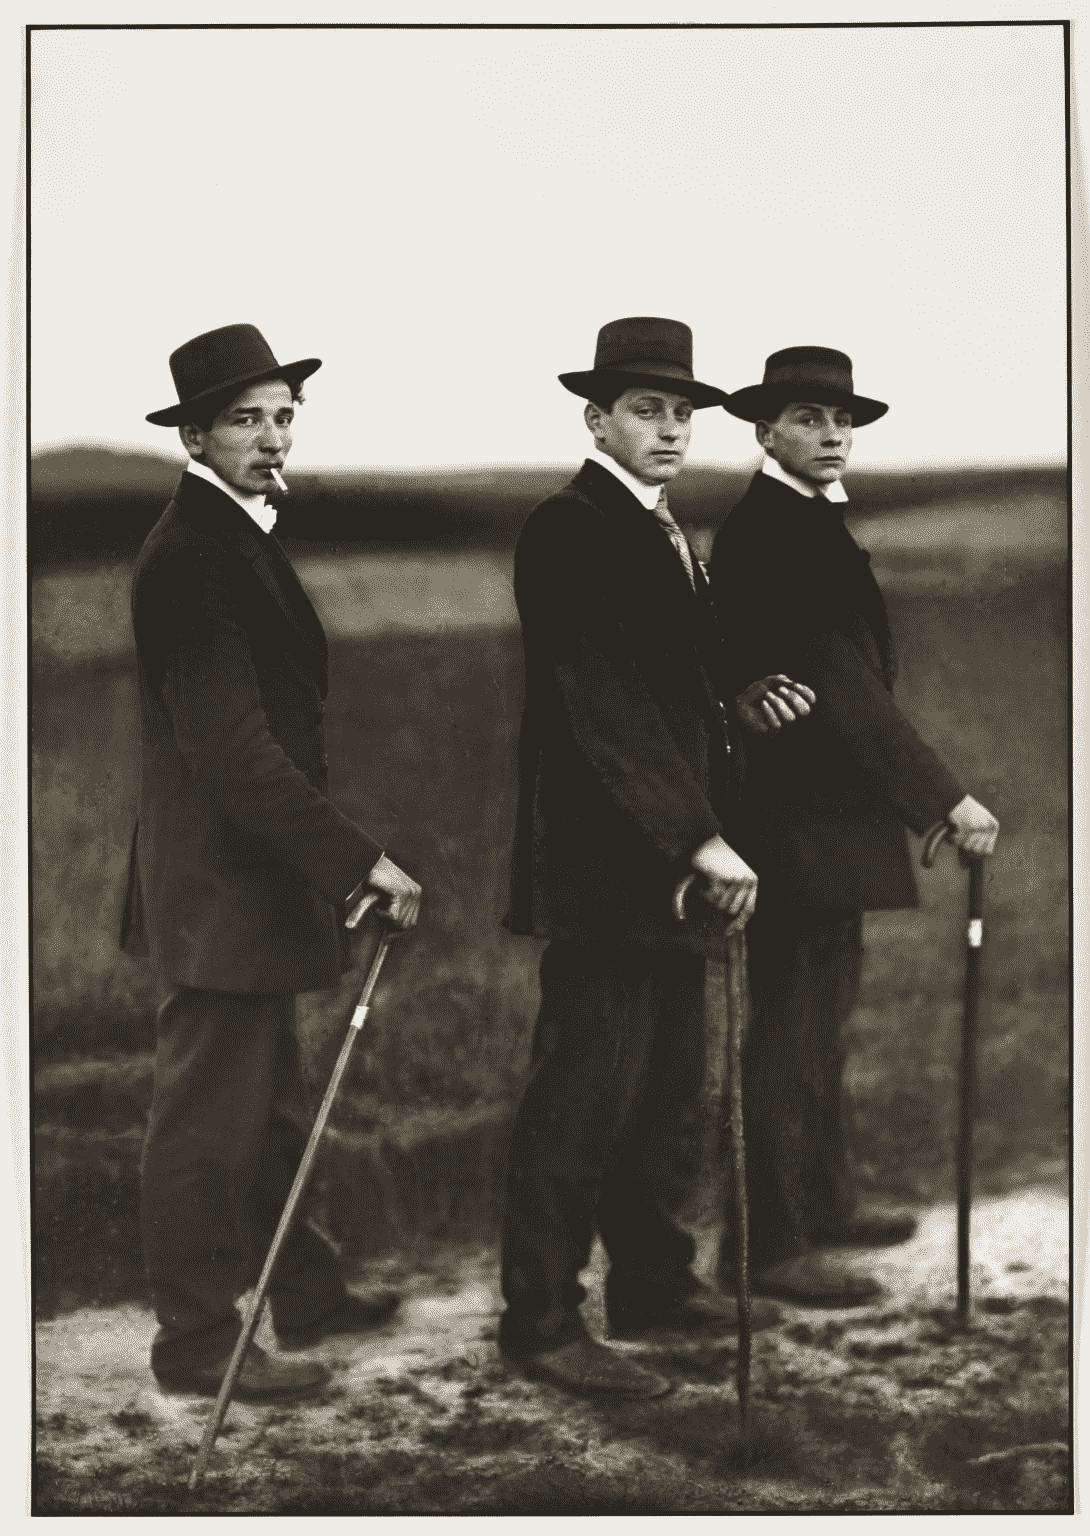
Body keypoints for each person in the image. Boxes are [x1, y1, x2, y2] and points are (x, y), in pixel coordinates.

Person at [499, 317, 816, 1400]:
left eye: (682, 411)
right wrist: (697, 835)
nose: (671, 428)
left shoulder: (659, 527)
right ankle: (541, 1323)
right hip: (609, 870)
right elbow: (603, 703)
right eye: (647, 409)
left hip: (671, 867)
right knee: (581, 1097)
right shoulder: (569, 528)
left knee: (667, 1087)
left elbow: (676, 675)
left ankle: (652, 1282)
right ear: (597, 420)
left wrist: (741, 694)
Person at [121, 323, 422, 1400]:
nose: (272, 436)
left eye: (284, 416)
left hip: (248, 883)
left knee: (273, 1106)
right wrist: (358, 861)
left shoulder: (232, 535)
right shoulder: (192, 555)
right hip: (220, 889)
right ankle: (197, 1344)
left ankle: (305, 1290)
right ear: (194, 436)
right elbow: (234, 755)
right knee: (206, 1125)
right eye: (245, 419)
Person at [709, 346, 999, 1307]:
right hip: (793, 825)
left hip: (825, 824)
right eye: (808, 418)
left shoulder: (806, 522)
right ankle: (767, 1244)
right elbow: (841, 684)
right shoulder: (774, 532)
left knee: (820, 1030)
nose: (832, 434)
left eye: (841, 420)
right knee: (788, 1037)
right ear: (765, 432)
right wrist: (943, 799)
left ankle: (824, 1203)